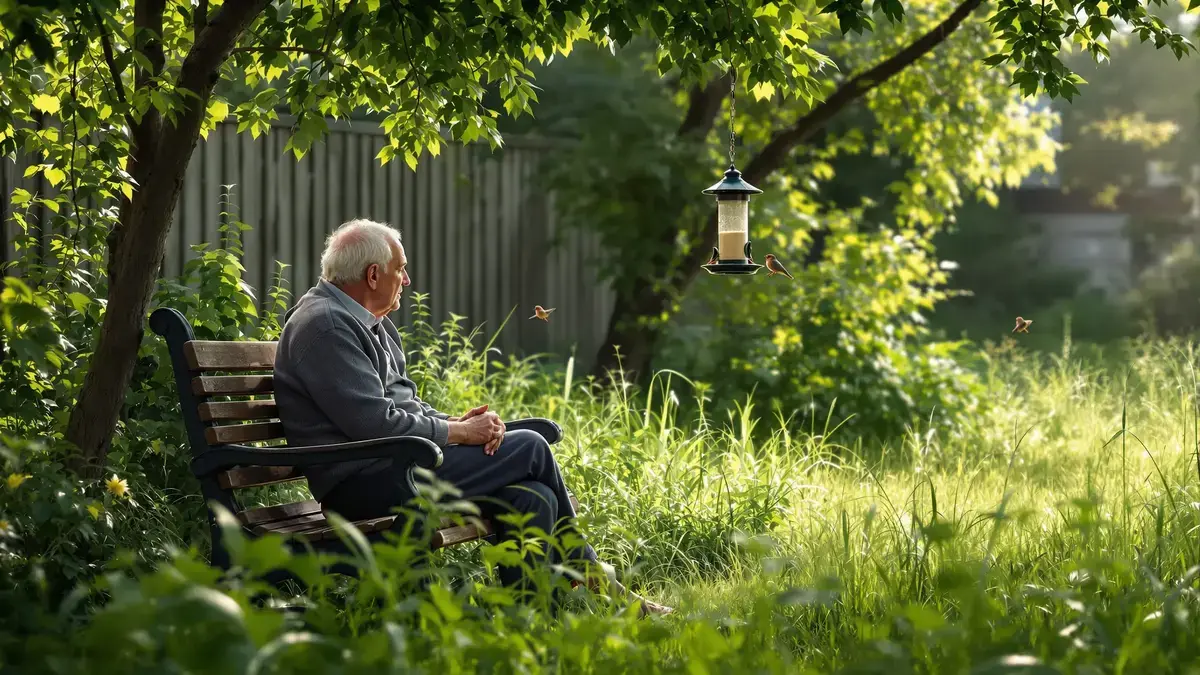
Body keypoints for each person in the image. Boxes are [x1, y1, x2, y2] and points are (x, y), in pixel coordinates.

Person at [273, 218, 672, 616]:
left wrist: (453, 424)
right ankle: (593, 575)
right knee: (531, 445)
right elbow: (373, 424)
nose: (407, 280)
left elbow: (404, 406)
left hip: (399, 463)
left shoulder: (371, 323)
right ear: (374, 275)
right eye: (401, 269)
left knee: (534, 497)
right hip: (364, 484)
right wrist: (459, 433)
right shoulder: (325, 325)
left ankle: (530, 622)